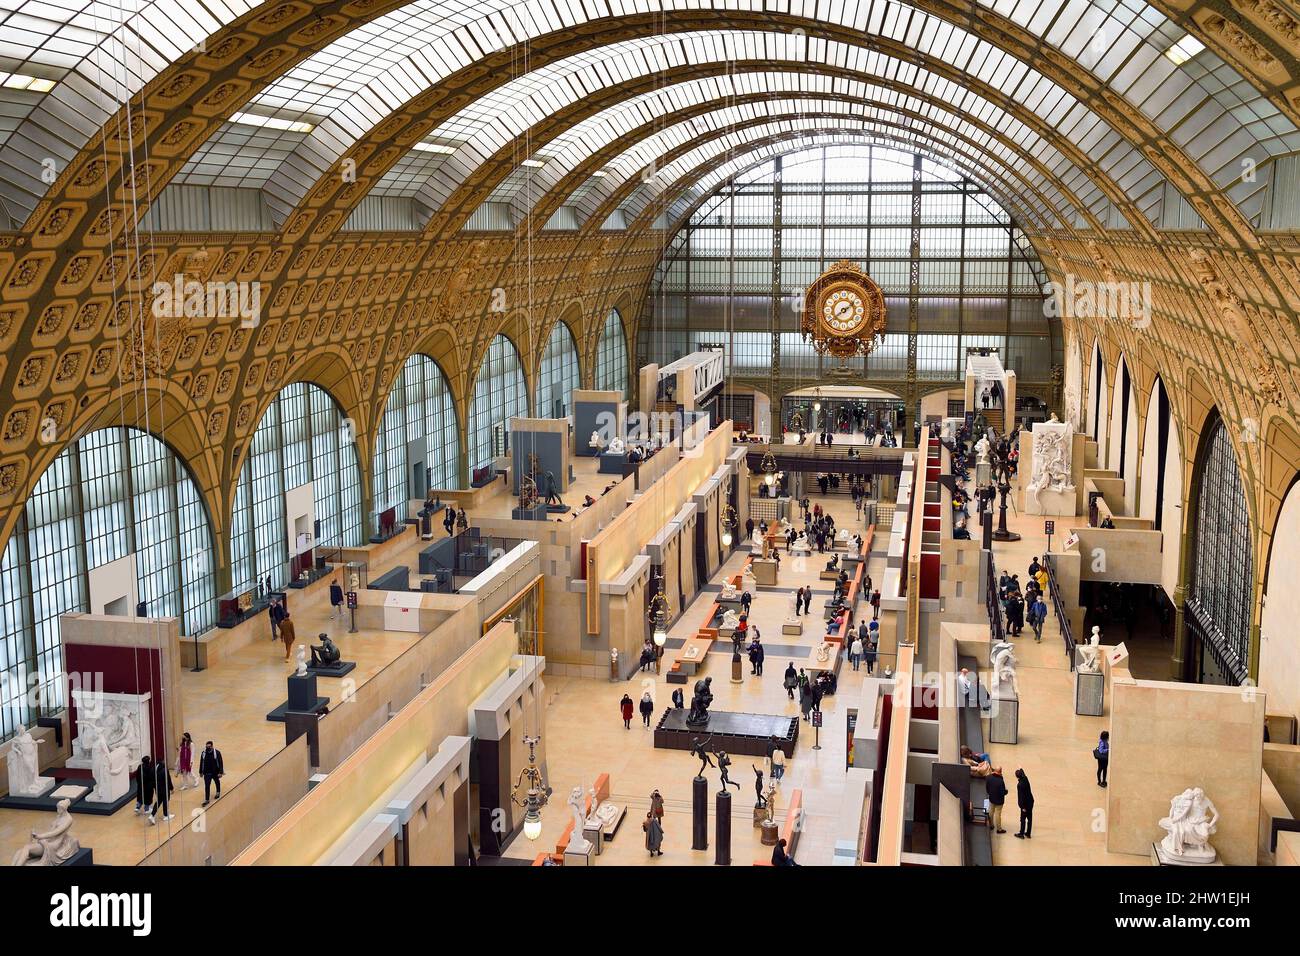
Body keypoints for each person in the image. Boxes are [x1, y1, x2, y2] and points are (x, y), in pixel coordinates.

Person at [149, 756, 174, 825]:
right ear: (162, 761)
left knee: (159, 801)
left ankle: (152, 815)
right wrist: (171, 788)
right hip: (164, 789)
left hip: (157, 789)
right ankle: (165, 815)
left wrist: (155, 787)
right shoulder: (164, 769)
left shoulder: (153, 769)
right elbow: (168, 779)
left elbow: (152, 780)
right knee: (165, 801)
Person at [199, 740, 223, 806]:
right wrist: (200, 771)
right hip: (207, 773)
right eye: (207, 747)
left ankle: (218, 792)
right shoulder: (203, 753)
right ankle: (207, 799)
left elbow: (220, 763)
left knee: (217, 782)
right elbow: (201, 762)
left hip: (215, 772)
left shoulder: (217, 753)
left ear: (212, 746)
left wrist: (220, 772)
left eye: (209, 746)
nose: (208, 748)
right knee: (207, 786)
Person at [986, 767, 1008, 834]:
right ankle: (999, 829)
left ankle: (991, 825)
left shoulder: (988, 777)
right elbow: (1002, 792)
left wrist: (990, 793)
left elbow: (987, 787)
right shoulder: (1000, 781)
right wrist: (1006, 792)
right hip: (999, 801)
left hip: (991, 798)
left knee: (991, 812)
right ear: (1000, 772)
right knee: (998, 814)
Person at [1014, 768, 1034, 839]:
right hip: (1030, 801)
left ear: (1017, 777)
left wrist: (1022, 807)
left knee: (1023, 819)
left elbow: (1021, 797)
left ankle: (1021, 833)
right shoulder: (1026, 778)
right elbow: (1023, 773)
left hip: (1025, 805)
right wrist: (1021, 768)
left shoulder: (1020, 785)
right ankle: (1028, 833)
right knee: (1030, 818)